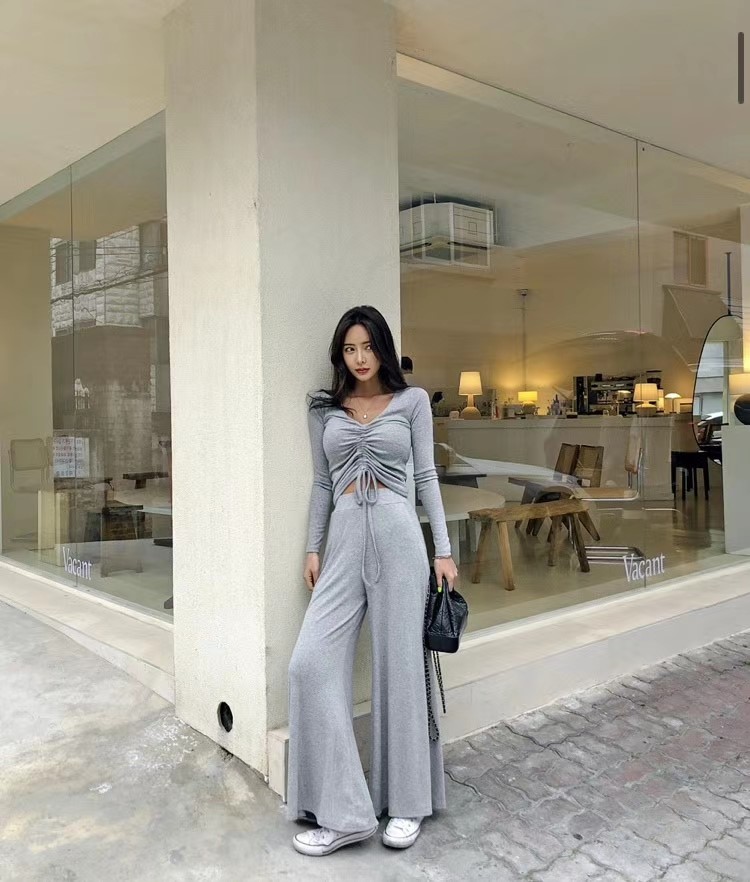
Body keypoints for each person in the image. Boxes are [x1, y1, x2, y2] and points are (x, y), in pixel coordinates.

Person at [287, 305, 458, 857]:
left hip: (400, 539)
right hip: (342, 542)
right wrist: (313, 546)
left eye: (367, 347)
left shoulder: (413, 403)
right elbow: (322, 483)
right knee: (309, 664)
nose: (360, 358)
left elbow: (426, 475)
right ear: (340, 355)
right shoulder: (324, 411)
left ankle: (407, 803)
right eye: (349, 349)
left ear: (383, 348)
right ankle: (346, 813)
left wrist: (443, 550)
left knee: (401, 671)